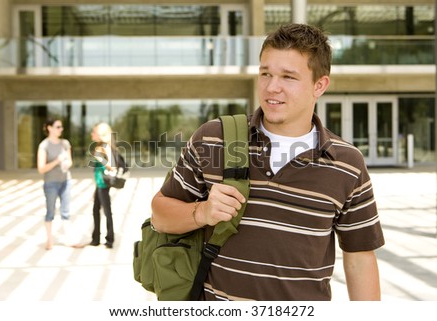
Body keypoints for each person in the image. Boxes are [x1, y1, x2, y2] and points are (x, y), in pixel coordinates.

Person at [151, 23, 385, 301]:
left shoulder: (348, 163)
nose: (272, 87)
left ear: (319, 85)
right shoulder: (214, 138)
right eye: (265, 73)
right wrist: (202, 213)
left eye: (288, 77)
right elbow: (159, 215)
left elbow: (359, 257)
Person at [37, 118, 73, 250]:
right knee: (50, 212)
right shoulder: (44, 145)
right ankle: (49, 241)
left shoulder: (65, 143)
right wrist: (57, 160)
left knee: (66, 212)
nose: (61, 129)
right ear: (49, 128)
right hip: (50, 183)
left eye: (61, 127)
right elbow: (41, 169)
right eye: (58, 127)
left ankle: (68, 240)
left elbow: (70, 162)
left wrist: (66, 163)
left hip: (66, 181)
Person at [89, 122, 117, 249]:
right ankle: (95, 238)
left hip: (104, 185)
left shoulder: (105, 147)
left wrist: (100, 158)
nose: (92, 134)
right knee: (95, 211)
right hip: (99, 184)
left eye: (94, 132)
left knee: (107, 212)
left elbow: (112, 166)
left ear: (100, 134)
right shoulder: (99, 146)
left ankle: (110, 240)